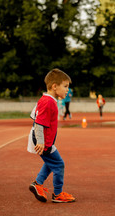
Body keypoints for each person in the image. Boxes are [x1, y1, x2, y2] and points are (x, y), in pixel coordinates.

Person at [28, 68, 76, 203]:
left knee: (51, 163)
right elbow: (39, 123)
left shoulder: (48, 100)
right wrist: (41, 142)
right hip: (42, 140)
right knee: (59, 165)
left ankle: (37, 184)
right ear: (54, 86)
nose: (67, 90)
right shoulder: (48, 102)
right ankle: (58, 194)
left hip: (46, 141)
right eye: (65, 86)